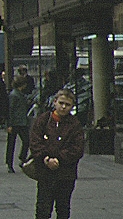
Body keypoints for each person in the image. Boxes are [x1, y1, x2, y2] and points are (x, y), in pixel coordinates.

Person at [29, 89, 85, 219]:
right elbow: (35, 142)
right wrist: (46, 158)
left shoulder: (75, 124)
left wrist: (59, 159)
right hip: (45, 173)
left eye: (67, 105)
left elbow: (77, 148)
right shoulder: (44, 120)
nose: (64, 107)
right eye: (61, 103)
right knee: (43, 209)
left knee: (63, 208)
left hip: (66, 174)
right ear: (55, 102)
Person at [6, 75, 32, 172]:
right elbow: (10, 110)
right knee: (12, 143)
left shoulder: (19, 94)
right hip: (15, 122)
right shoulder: (14, 95)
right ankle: (10, 163)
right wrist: (9, 124)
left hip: (21, 122)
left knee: (26, 141)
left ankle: (22, 157)